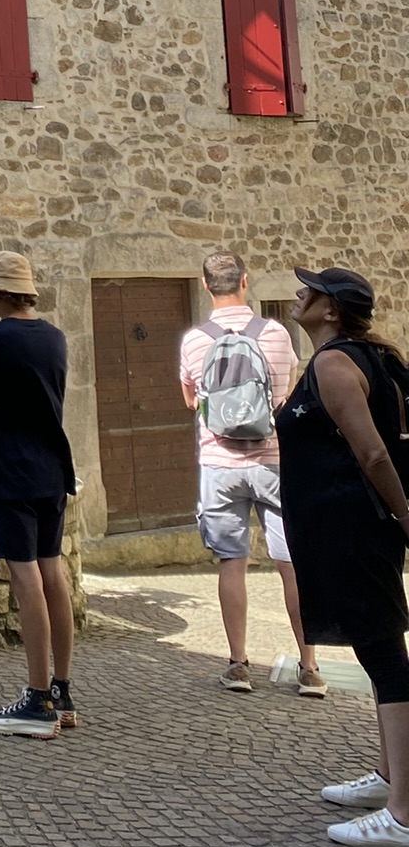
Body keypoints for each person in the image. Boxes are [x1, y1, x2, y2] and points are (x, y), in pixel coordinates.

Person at [279, 267, 409, 847]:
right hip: (352, 529)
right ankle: (390, 778)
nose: (299, 293)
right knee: (380, 653)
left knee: (385, 659)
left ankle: (403, 814)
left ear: (331, 310)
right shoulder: (365, 357)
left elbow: (373, 454)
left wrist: (405, 518)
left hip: (354, 530)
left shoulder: (335, 364)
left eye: (310, 290)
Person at [178, 250, 322, 696]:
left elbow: (190, 400)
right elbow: (286, 392)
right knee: (292, 564)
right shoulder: (275, 333)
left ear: (205, 286)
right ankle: (310, 667)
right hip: (274, 461)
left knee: (232, 563)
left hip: (220, 465)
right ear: (245, 281)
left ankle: (238, 664)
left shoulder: (194, 340)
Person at [0, 251, 77, 739]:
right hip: (52, 464)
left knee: (24, 576)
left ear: (0, 293)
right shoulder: (55, 337)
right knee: (53, 572)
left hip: (10, 466)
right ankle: (61, 690)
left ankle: (37, 700)